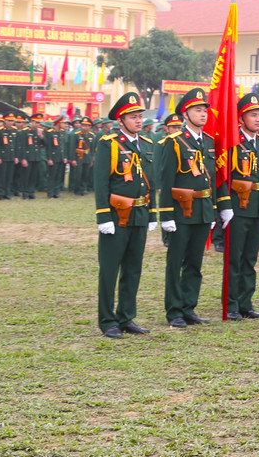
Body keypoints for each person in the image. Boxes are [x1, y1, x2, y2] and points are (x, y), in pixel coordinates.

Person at [157, 87, 231, 328]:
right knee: (176, 261)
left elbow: (212, 176)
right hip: (180, 211)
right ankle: (175, 311)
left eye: (204, 110)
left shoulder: (209, 141)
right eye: (197, 110)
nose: (203, 114)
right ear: (185, 114)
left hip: (202, 210)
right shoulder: (175, 142)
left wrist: (217, 207)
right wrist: (166, 214)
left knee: (195, 263)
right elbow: (167, 180)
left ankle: (189, 307)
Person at [94, 92, 156, 338]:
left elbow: (151, 182)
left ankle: (126, 316)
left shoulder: (148, 144)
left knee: (133, 268)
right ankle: (107, 320)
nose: (139, 120)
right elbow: (101, 183)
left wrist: (152, 214)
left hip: (140, 213)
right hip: (116, 215)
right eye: (133, 117)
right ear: (121, 120)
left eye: (140, 116)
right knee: (110, 269)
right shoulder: (108, 143)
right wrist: (103, 217)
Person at [227, 94, 259, 318]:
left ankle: (246, 303)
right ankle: (231, 304)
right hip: (237, 208)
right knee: (235, 257)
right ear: (241, 118)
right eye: (253, 115)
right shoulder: (232, 143)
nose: (258, 119)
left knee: (250, 259)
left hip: (257, 208)